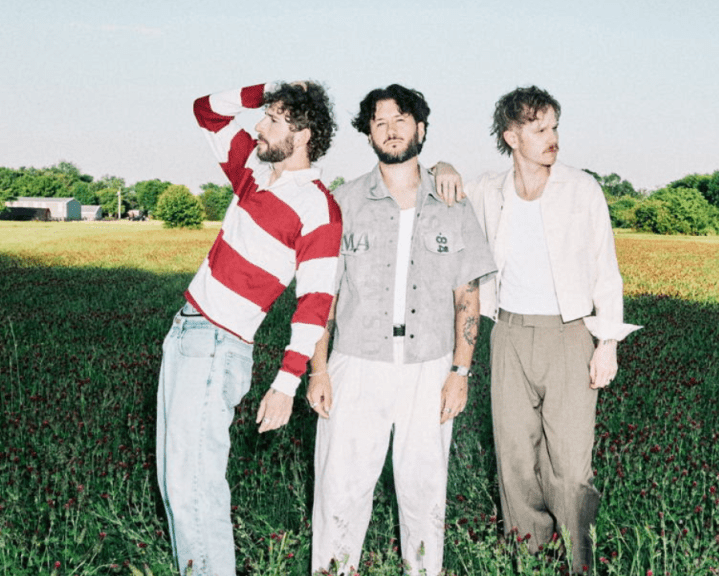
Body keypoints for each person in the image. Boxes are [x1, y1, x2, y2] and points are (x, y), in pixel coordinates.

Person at [306, 84, 495, 576]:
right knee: (340, 492)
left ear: (421, 128)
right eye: (380, 122)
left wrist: (460, 372)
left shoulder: (453, 203)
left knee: (424, 493)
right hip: (355, 363)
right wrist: (318, 369)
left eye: (401, 120)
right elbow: (323, 296)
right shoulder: (343, 202)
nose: (390, 130)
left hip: (429, 367)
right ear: (368, 133)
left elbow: (467, 296)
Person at [156, 81, 342, 576]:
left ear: (303, 134)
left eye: (273, 119)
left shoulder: (318, 208)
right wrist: (267, 90)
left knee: (194, 487)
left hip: (217, 345)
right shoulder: (253, 173)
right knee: (177, 484)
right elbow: (206, 111)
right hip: (186, 334)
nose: (258, 125)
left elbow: (315, 304)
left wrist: (286, 384)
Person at [461, 86, 640, 573]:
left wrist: (607, 344)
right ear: (511, 137)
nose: (552, 137)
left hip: (570, 335)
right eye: (539, 129)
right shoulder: (489, 190)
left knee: (570, 467)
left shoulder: (582, 189)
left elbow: (606, 271)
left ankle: (580, 561)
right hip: (509, 335)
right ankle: (530, 558)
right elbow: (439, 185)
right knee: (515, 460)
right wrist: (443, 168)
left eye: (555, 126)